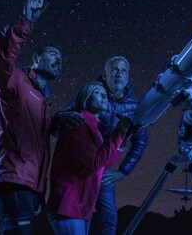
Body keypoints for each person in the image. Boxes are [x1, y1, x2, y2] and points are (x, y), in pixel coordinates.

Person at [0, 0, 61, 234]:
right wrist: (26, 21)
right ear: (36, 60)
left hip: (28, 186)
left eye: (61, 58)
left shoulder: (44, 103)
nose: (59, 60)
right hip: (11, 180)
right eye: (52, 55)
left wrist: (40, 190)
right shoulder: (16, 81)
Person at [54, 56, 149, 235]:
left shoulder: (135, 107)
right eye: (114, 69)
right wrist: (59, 119)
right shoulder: (90, 95)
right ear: (104, 75)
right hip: (82, 163)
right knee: (77, 212)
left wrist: (123, 171)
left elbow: (140, 141)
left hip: (105, 168)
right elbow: (67, 117)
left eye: (123, 71)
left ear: (128, 76)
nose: (119, 74)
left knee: (109, 218)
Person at [46, 81, 133, 235]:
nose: (103, 96)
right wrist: (118, 134)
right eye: (97, 92)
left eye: (105, 94)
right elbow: (95, 162)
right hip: (68, 205)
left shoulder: (94, 130)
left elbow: (101, 165)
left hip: (80, 206)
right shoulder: (78, 122)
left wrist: (120, 146)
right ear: (85, 99)